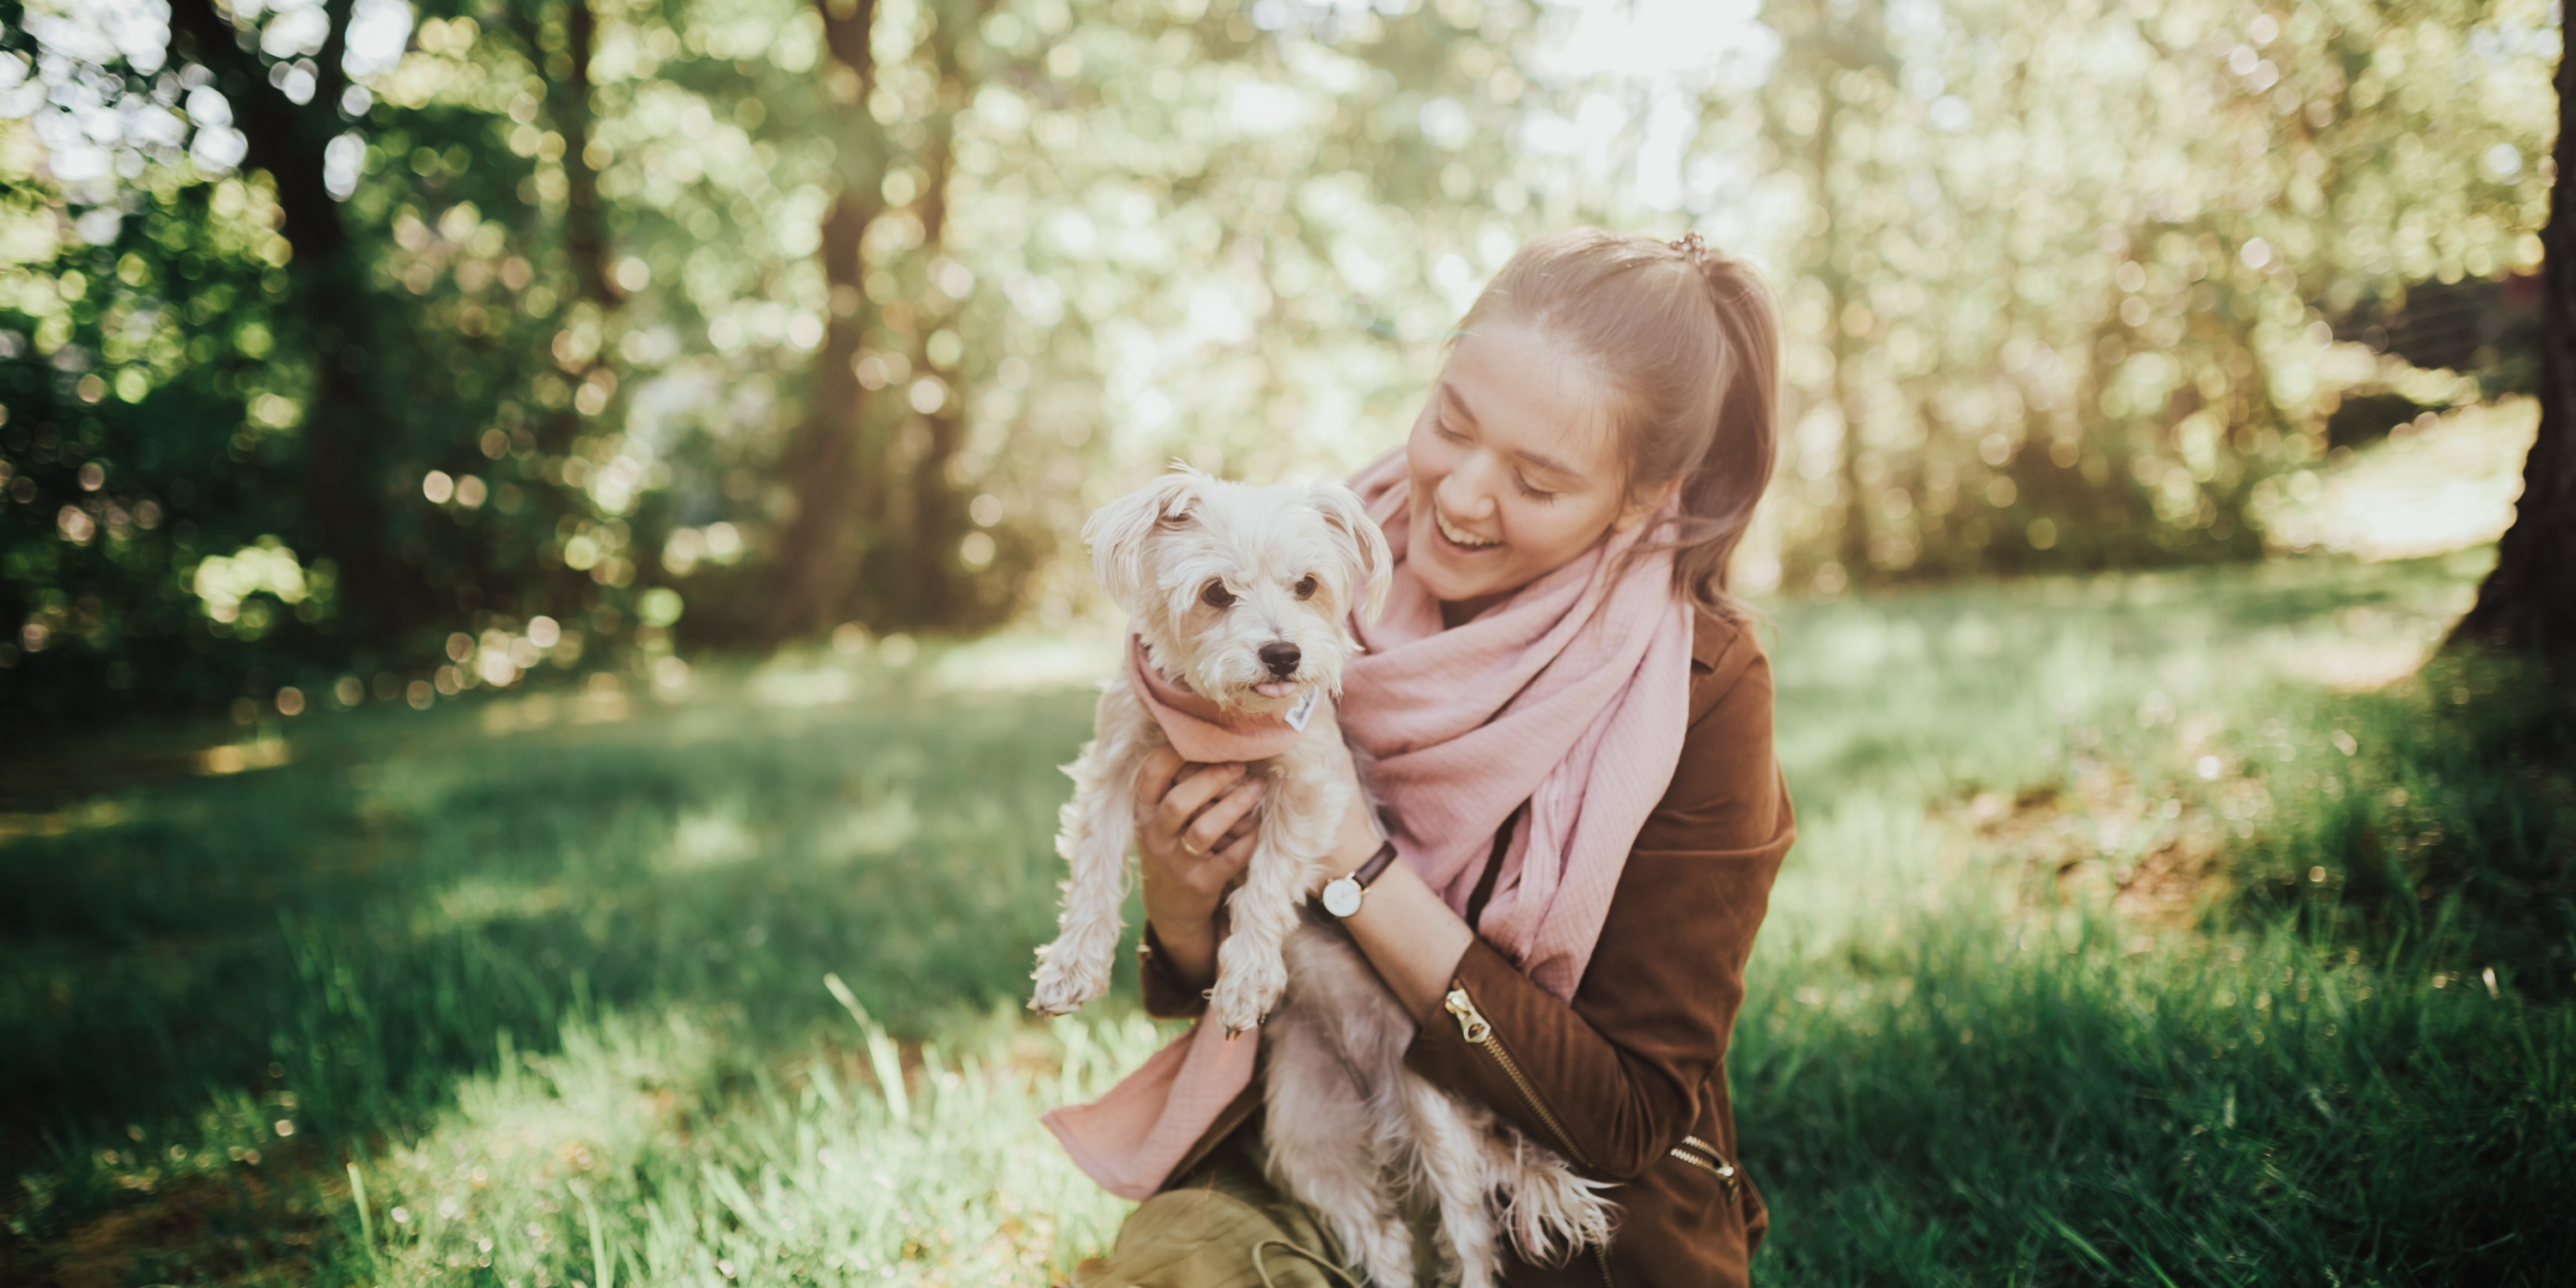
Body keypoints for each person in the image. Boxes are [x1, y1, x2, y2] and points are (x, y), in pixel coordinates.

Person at [1067, 228, 1795, 1287]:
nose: (1456, 497)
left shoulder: (1702, 688)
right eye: (1450, 424)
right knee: (1182, 1270)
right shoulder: (1301, 567)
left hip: (1556, 1195)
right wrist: (1182, 904)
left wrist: (1361, 869)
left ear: (1643, 495)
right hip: (1313, 1129)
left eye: (1537, 483)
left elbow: (1626, 1115)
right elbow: (1225, 983)